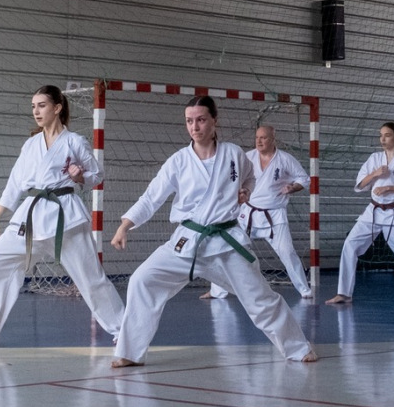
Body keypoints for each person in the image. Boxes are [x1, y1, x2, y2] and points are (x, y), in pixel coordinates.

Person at [110, 96, 315, 367]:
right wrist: (125, 225)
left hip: (226, 243)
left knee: (260, 299)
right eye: (189, 121)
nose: (194, 127)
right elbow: (151, 197)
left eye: (201, 120)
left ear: (214, 121)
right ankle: (129, 352)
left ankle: (298, 348)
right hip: (187, 241)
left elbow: (249, 177)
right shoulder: (178, 161)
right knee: (142, 280)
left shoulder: (234, 154)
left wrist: (246, 191)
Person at [0, 85, 123, 347]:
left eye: (42, 105)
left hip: (66, 217)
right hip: (31, 215)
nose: (36, 111)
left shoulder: (74, 141)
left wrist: (79, 176)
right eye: (33, 106)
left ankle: (123, 329)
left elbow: (96, 175)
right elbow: (15, 183)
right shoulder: (30, 144)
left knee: (91, 277)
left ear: (57, 108)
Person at [207, 124, 314, 301]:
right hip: (248, 214)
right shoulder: (248, 157)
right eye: (257, 138)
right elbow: (232, 177)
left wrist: (293, 187)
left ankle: (305, 290)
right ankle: (217, 291)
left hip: (274, 216)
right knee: (227, 246)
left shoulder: (285, 159)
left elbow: (304, 179)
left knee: (287, 252)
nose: (259, 141)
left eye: (263, 138)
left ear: (273, 139)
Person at [329, 122, 394, 305]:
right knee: (350, 245)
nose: (383, 139)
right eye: (381, 135)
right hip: (373, 212)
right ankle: (344, 293)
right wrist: (375, 174)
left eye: (387, 135)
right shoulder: (375, 158)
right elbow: (360, 185)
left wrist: (389, 188)